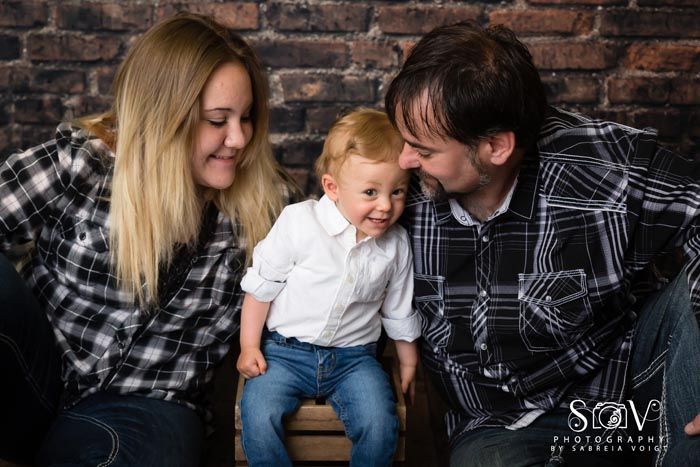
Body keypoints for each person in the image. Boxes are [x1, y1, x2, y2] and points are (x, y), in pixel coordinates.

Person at [384, 21, 700, 467]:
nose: (403, 159)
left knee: (694, 294)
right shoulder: (394, 188)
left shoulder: (601, 170)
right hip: (498, 423)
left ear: (496, 146)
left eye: (425, 150)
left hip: (627, 391)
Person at [0, 13, 292, 467]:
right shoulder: (85, 165)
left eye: (247, 117)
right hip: (37, 382)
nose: (238, 138)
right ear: (163, 116)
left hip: (149, 406)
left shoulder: (268, 208)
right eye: (218, 120)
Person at [236, 108, 421, 467]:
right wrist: (248, 346)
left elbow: (398, 309)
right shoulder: (299, 223)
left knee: (381, 424)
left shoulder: (395, 244)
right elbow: (261, 288)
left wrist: (408, 359)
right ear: (332, 187)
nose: (385, 205)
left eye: (397, 191)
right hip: (285, 354)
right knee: (257, 415)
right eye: (370, 192)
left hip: (354, 360)